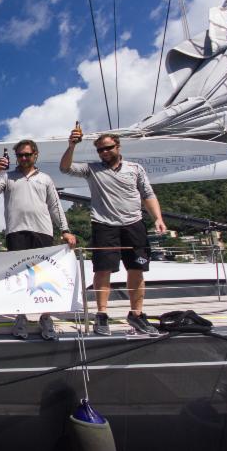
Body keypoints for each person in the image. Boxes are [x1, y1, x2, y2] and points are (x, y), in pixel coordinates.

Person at [60, 132, 166, 336]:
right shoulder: (92, 169)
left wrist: (158, 218)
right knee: (103, 270)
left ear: (118, 147)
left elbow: (147, 194)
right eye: (100, 150)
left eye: (108, 148)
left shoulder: (135, 169)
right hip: (104, 225)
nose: (104, 152)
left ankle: (136, 314)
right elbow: (65, 168)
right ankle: (101, 315)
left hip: (134, 224)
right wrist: (72, 146)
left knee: (136, 269)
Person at [0, 139, 76, 341]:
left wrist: (65, 230)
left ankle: (46, 317)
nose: (24, 158)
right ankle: (21, 316)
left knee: (44, 277)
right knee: (18, 277)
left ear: (35, 155)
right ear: (16, 157)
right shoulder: (7, 177)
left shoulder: (45, 178)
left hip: (43, 232)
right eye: (20, 155)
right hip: (16, 232)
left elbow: (55, 206)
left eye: (27, 154)